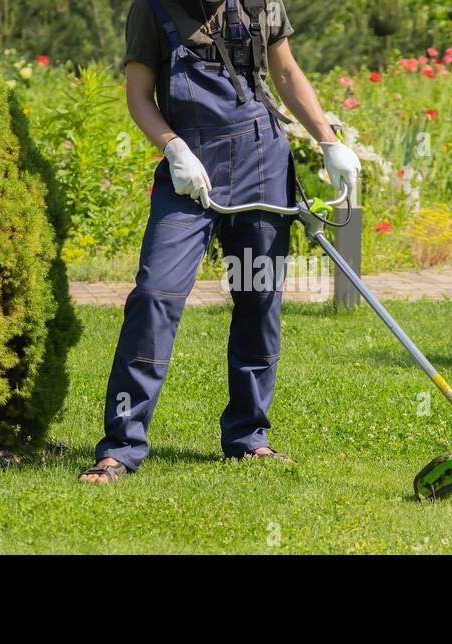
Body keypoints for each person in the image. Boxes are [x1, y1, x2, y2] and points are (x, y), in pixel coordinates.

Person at [80, 0, 361, 482]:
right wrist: (173, 148)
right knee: (155, 293)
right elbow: (138, 96)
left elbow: (287, 72)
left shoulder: (260, 4)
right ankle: (121, 446)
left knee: (258, 298)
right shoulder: (153, 9)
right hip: (189, 165)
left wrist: (328, 141)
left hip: (261, 160)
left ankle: (249, 438)